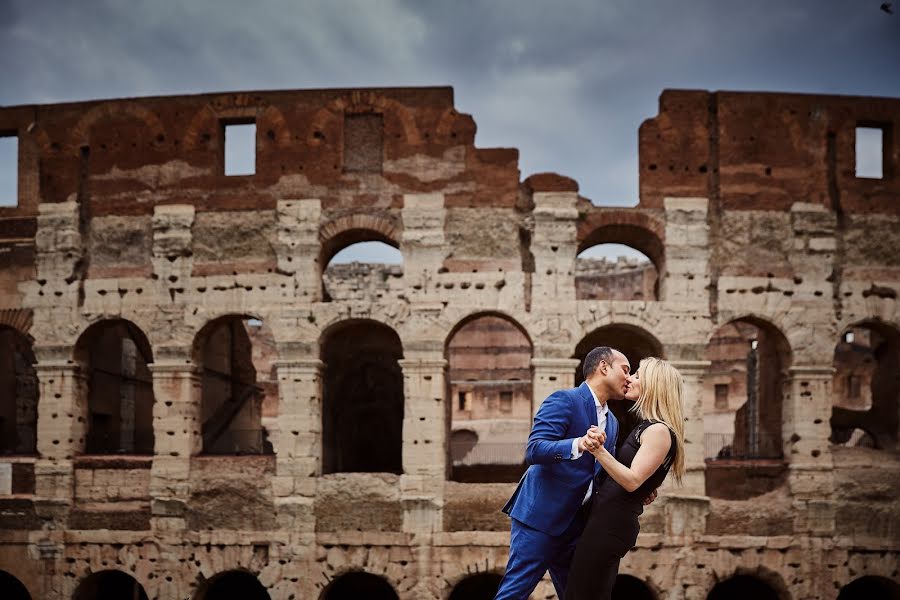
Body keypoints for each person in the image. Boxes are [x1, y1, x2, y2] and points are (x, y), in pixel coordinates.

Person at [493, 346, 629, 600]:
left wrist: (639, 489)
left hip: (577, 526)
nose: (629, 378)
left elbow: (599, 475)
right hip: (540, 519)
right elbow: (534, 449)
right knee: (514, 593)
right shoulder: (564, 400)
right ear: (603, 367)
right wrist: (578, 444)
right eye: (625, 369)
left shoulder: (613, 423)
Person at [564, 357, 686, 600]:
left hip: (611, 524)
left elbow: (631, 480)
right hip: (608, 521)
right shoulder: (649, 427)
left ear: (654, 386)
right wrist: (645, 487)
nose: (630, 379)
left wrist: (597, 448)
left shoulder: (659, 430)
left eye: (638, 376)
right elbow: (637, 479)